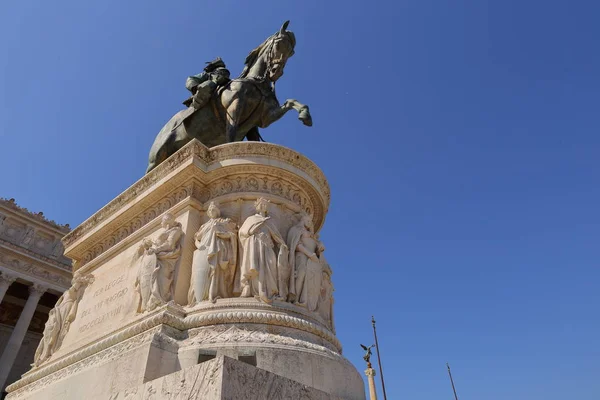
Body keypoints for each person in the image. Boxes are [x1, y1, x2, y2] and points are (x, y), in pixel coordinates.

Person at [237, 198, 287, 303]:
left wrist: (282, 245)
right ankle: (254, 290)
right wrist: (253, 232)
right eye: (261, 204)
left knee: (270, 265)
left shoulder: (269, 221)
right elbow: (243, 232)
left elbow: (276, 236)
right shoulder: (251, 219)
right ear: (257, 206)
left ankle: (268, 291)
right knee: (256, 267)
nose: (264, 206)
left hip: (267, 246)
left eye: (265, 204)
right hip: (254, 245)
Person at [188, 202, 237, 305]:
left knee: (216, 271)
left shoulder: (223, 221)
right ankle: (202, 296)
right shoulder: (204, 225)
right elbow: (197, 238)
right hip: (204, 250)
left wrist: (221, 234)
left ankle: (214, 293)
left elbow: (232, 235)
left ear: (218, 211)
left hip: (218, 248)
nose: (211, 211)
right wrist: (198, 245)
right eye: (210, 210)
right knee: (204, 271)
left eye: (213, 209)